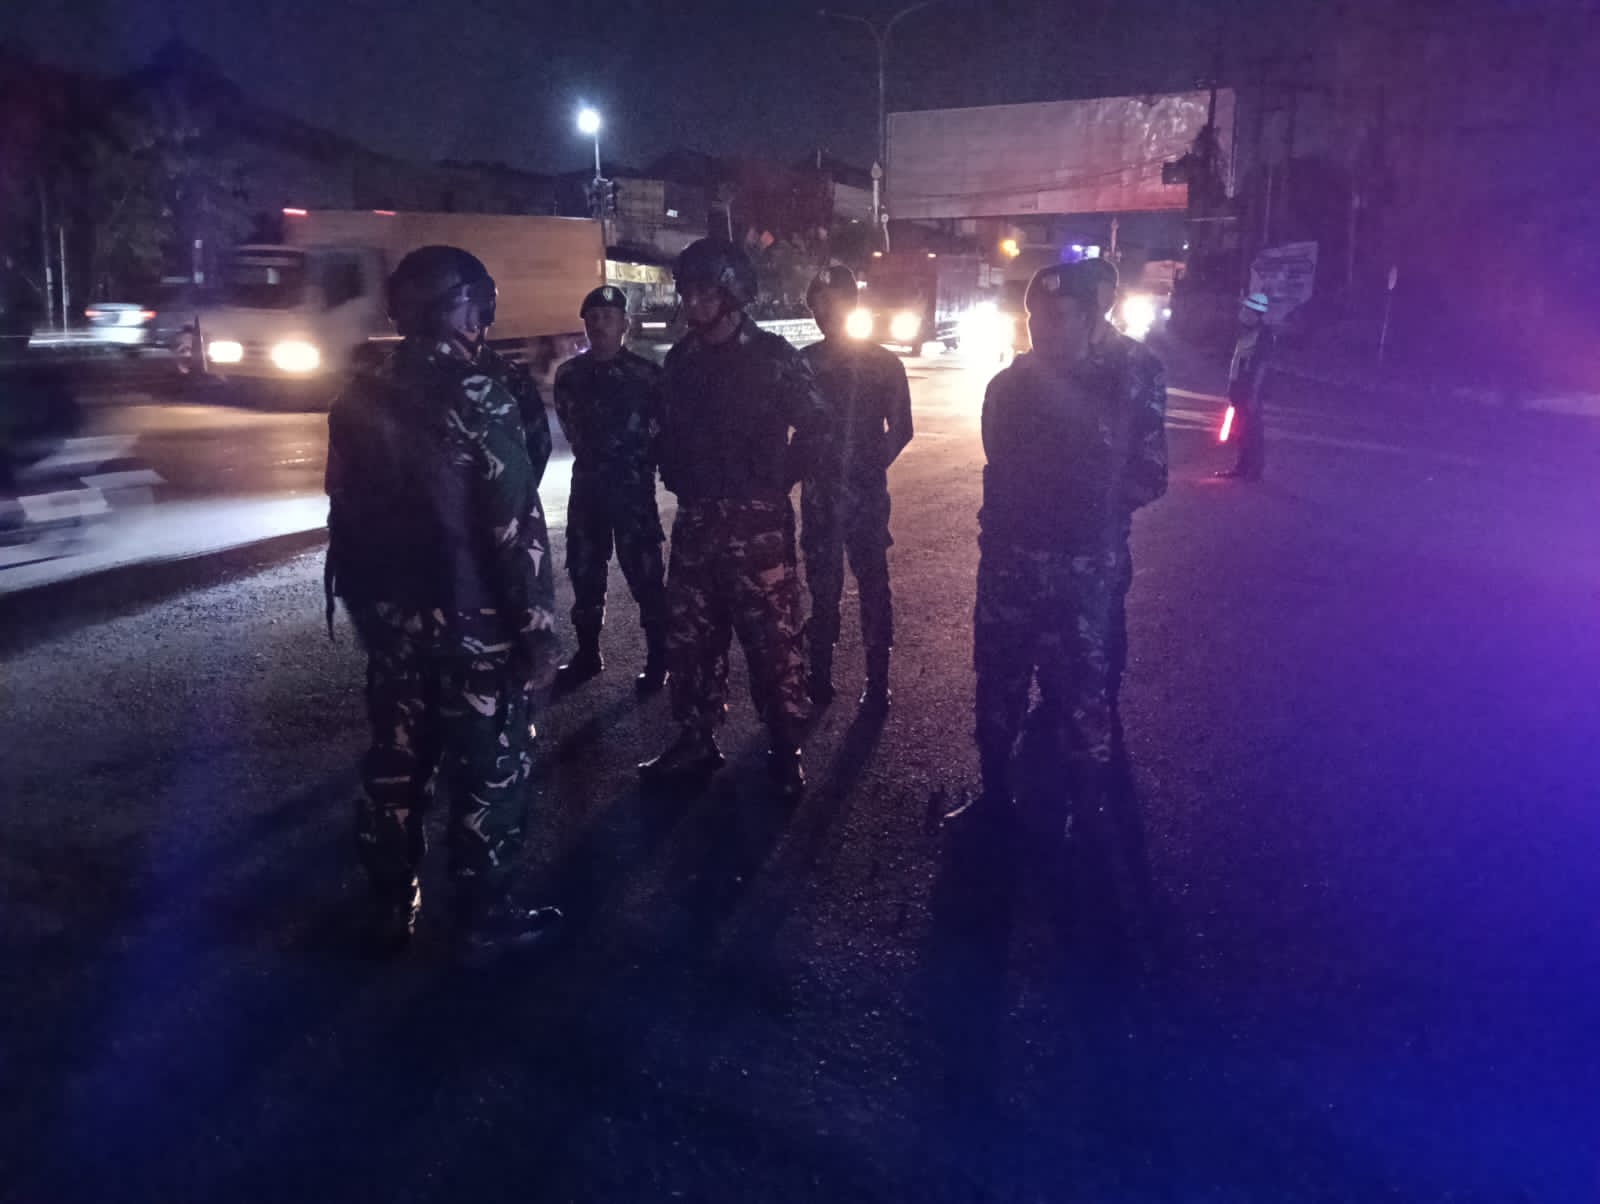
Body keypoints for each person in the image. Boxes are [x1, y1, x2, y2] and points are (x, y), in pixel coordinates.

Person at [325, 245, 561, 964]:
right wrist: (537, 630)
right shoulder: (478, 392)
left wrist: (367, 614)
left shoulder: (360, 395)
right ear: (459, 309)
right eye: (474, 305)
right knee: (490, 772)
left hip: (392, 625)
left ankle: (389, 904)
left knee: (396, 768)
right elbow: (512, 523)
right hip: (473, 627)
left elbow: (342, 511)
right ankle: (483, 916)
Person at [956, 259, 1158, 852]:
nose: (1046, 327)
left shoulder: (1121, 385)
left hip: (1082, 567)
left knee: (1082, 697)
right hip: (1010, 564)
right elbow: (999, 459)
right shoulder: (1006, 388)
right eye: (1037, 317)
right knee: (998, 683)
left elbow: (1151, 473)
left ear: (1089, 320)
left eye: (1060, 316)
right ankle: (995, 796)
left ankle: (1088, 816)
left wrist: (1090, 508)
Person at [638, 239, 827, 801]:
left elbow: (818, 424)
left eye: (705, 293)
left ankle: (785, 747)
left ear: (733, 294)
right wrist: (669, 460)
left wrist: (778, 477)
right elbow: (663, 426)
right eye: (688, 293)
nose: (693, 303)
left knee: (773, 641)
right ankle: (696, 738)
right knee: (690, 638)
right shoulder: (682, 360)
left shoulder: (772, 357)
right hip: (697, 522)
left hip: (757, 527)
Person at [799, 264, 914, 712]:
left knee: (872, 586)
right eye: (820, 305)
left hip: (865, 497)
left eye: (835, 303)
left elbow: (901, 428)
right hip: (818, 497)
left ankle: (877, 681)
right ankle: (819, 676)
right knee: (822, 588)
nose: (826, 313)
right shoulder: (803, 364)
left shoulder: (884, 364)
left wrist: (868, 467)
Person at [550, 285, 668, 695]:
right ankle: (588, 654)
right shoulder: (569, 376)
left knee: (646, 576)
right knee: (585, 573)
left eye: (608, 316)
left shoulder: (647, 376)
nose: (599, 324)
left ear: (624, 325)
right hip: (587, 490)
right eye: (593, 317)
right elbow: (570, 427)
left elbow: (663, 431)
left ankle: (659, 660)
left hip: (633, 492)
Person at [1080, 256, 1169, 743]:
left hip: (1102, 532)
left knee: (1103, 622)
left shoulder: (1139, 365)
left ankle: (1103, 712)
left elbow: (1152, 465)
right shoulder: (1053, 358)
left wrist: (1110, 505)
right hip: (1047, 532)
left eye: (1095, 291)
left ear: (1109, 298)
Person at [1216, 291, 1273, 480]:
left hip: (1250, 389)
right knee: (1241, 430)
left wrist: (1254, 394)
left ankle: (1254, 470)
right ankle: (1242, 467)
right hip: (1239, 387)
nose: (1242, 313)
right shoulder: (1246, 332)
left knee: (1252, 430)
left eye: (1246, 310)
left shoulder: (1264, 335)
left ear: (1255, 314)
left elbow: (1262, 366)